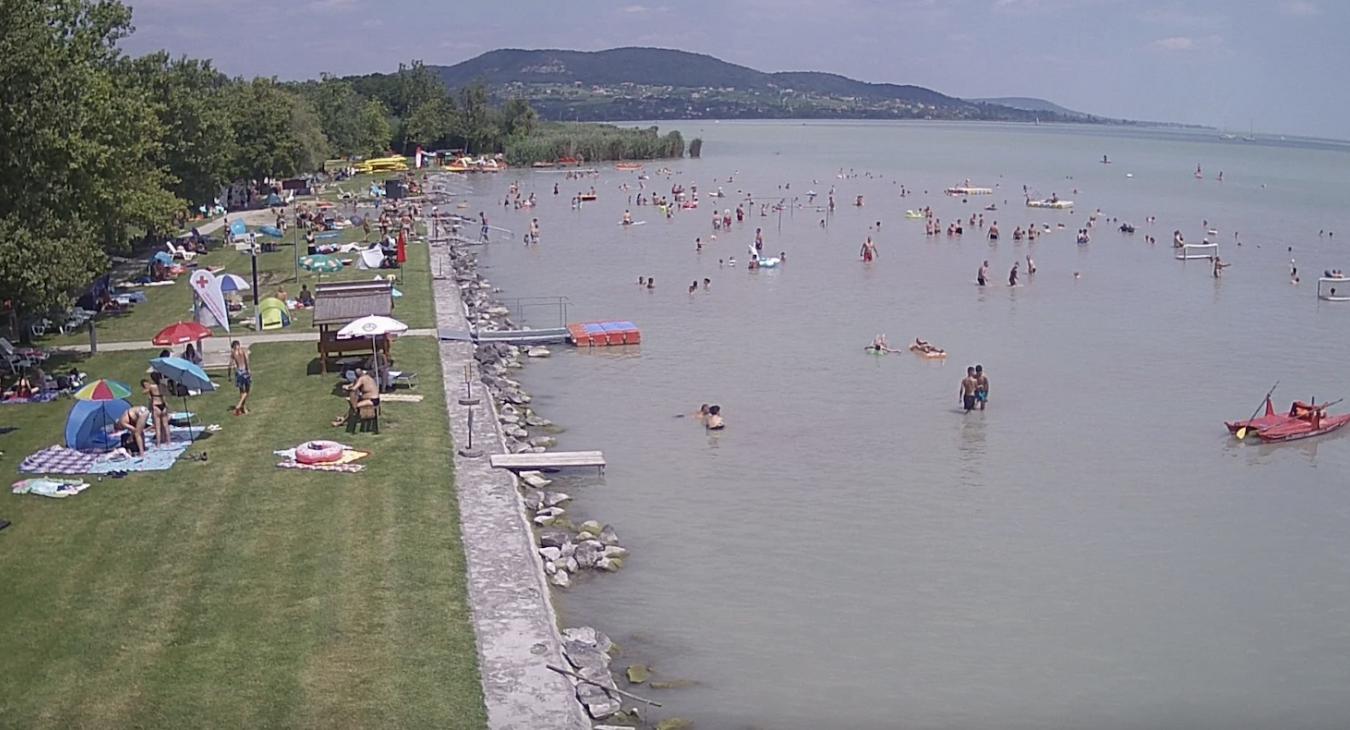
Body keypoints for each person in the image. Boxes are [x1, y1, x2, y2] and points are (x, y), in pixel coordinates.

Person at [143, 377, 171, 447]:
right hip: (163, 405)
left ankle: (158, 443)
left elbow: (144, 392)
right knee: (166, 425)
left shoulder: (151, 387)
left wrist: (148, 389)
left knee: (157, 426)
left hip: (156, 405)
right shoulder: (162, 386)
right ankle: (168, 441)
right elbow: (165, 395)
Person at [228, 340, 251, 415]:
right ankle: (240, 405)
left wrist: (229, 375)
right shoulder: (243, 350)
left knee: (241, 391)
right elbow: (246, 360)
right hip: (245, 371)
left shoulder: (233, 353)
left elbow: (230, 365)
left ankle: (243, 408)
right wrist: (248, 369)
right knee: (247, 390)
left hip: (238, 372)